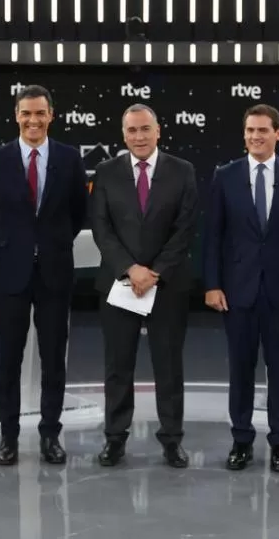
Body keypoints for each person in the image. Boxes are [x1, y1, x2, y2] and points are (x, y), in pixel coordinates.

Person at [202, 104, 279, 473]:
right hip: (237, 289)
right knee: (240, 367)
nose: (255, 136)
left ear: (278, 133)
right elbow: (213, 236)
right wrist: (212, 284)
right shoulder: (226, 175)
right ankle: (241, 439)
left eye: (263, 131)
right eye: (250, 130)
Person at [0, 84, 88, 466]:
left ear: (51, 115)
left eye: (40, 113)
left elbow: (77, 213)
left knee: (54, 358)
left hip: (55, 272)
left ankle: (50, 436)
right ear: (16, 115)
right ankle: (7, 436)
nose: (33, 120)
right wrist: (18, 246)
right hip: (10, 273)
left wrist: (49, 245)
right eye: (26, 113)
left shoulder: (70, 159)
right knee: (8, 358)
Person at [90, 104, 198, 468]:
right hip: (119, 283)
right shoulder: (106, 172)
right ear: (124, 135)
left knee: (168, 365)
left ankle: (171, 439)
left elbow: (185, 229)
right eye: (132, 130)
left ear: (158, 131)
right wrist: (130, 268)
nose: (139, 137)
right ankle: (115, 439)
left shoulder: (182, 171)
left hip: (166, 285)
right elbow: (101, 229)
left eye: (145, 129)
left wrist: (155, 272)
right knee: (118, 366)